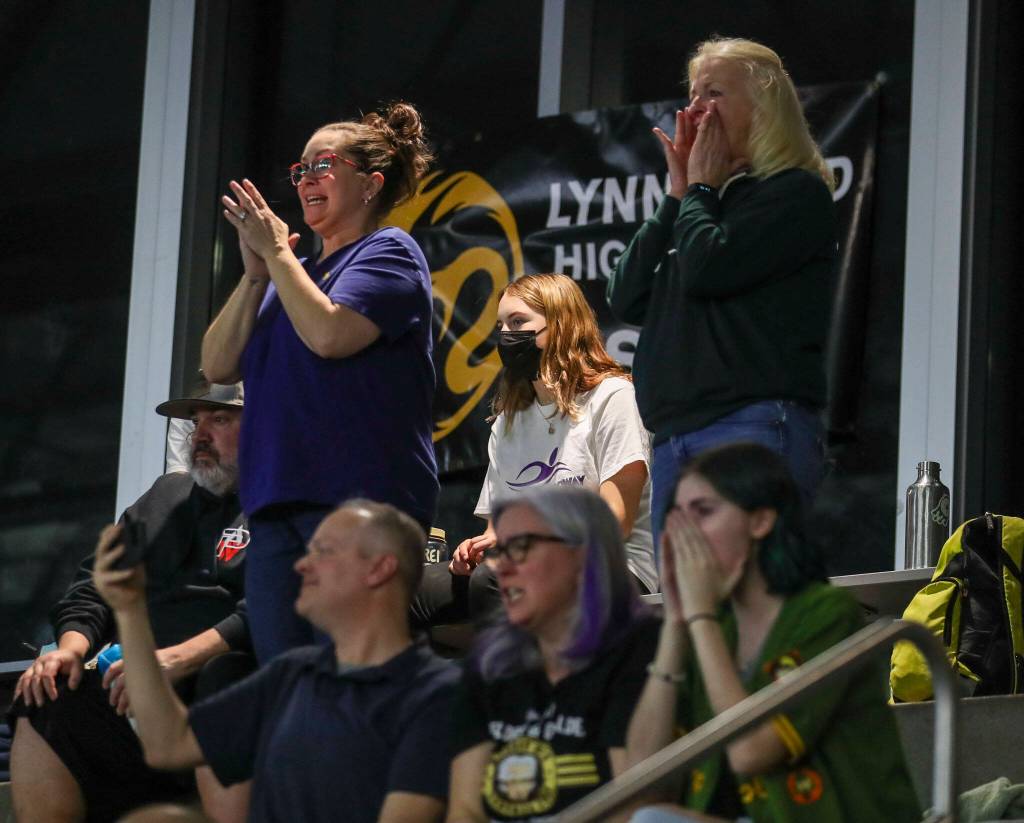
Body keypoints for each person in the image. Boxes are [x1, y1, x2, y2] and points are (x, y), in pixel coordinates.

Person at [200, 102, 438, 661]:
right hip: (278, 500)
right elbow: (216, 365)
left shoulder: (389, 251)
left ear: (370, 184)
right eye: (300, 170)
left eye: (323, 164)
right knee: (290, 683)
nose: (306, 179)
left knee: (348, 671)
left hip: (358, 500)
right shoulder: (289, 278)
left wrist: (280, 253)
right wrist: (258, 273)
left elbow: (332, 336)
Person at [606, 37, 838, 551]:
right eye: (691, 95)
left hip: (748, 425)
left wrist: (702, 192)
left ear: (764, 110)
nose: (695, 109)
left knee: (748, 605)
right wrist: (677, 198)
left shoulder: (795, 194)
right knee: (692, 616)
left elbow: (711, 267)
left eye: (714, 93)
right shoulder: (698, 205)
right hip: (673, 438)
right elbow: (625, 296)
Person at [90, 498, 458, 823]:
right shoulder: (294, 674)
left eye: (324, 551)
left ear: (379, 569)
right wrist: (130, 609)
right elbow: (168, 743)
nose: (301, 566)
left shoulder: (437, 693)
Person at [624, 443, 920, 822]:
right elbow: (639, 780)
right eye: (677, 518)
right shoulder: (713, 627)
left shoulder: (826, 613)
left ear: (760, 521)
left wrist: (700, 617)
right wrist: (676, 626)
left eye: (703, 512)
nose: (684, 536)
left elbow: (751, 752)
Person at [8, 383, 256, 823]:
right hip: (129, 695)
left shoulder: (282, 506)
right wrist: (69, 649)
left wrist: (175, 660)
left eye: (218, 420)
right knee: (46, 692)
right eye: (195, 421)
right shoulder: (165, 496)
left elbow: (273, 608)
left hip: (221, 686)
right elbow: (94, 585)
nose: (200, 434)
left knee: (226, 682)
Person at [446, 486, 659, 823]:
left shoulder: (639, 651)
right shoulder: (490, 664)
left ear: (582, 553)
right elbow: (465, 811)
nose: (502, 568)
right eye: (501, 551)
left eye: (521, 548)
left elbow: (632, 806)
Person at [450, 273, 657, 597]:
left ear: (561, 326)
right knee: (416, 588)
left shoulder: (612, 397)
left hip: (614, 567)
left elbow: (616, 523)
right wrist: (478, 549)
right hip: (529, 566)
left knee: (493, 583)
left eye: (518, 322)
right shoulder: (508, 422)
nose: (506, 335)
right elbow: (498, 530)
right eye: (501, 326)